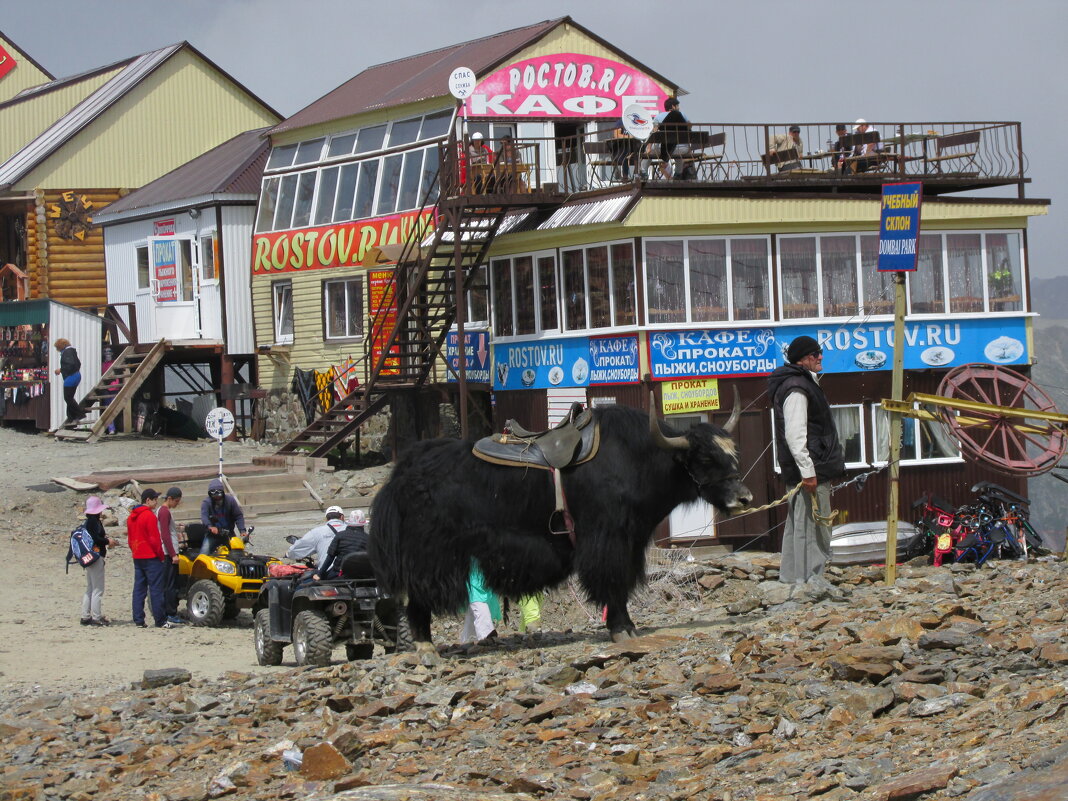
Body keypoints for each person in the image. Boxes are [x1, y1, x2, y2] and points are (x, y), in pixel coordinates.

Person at [768, 336, 845, 596]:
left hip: (809, 469)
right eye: (815, 354)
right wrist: (808, 472)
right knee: (813, 527)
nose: (820, 357)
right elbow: (795, 435)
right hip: (810, 472)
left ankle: (794, 579)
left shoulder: (801, 382)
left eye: (819, 352)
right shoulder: (797, 387)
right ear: (803, 359)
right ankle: (808, 582)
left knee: (801, 525)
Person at [128, 488, 170, 628]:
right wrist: (160, 555)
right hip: (151, 557)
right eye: (155, 499)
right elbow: (154, 540)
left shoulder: (131, 517)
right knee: (156, 590)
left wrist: (135, 551)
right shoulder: (149, 516)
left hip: (137, 555)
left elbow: (130, 539)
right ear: (148, 500)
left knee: (139, 589)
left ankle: (138, 620)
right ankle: (160, 620)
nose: (156, 502)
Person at [79, 496, 118, 627]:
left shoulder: (88, 522)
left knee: (90, 588)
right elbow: (96, 539)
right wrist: (108, 541)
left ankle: (85, 616)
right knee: (98, 589)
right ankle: (96, 617)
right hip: (96, 557)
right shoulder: (94, 522)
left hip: (89, 558)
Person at [286, 505, 348, 572]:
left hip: (327, 572)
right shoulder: (352, 530)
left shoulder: (316, 532)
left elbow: (294, 550)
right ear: (342, 517)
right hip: (351, 572)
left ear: (326, 519)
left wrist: (287, 554)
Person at [157, 487, 186, 626]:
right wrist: (173, 554)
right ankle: (170, 613)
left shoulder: (163, 511)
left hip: (168, 551)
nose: (177, 504)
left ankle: (168, 612)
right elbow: (165, 534)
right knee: (170, 584)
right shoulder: (164, 511)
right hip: (168, 553)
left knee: (169, 583)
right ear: (170, 499)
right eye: (176, 501)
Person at [315, 509, 370, 580]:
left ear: (349, 523)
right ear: (363, 524)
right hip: (361, 576)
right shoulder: (368, 539)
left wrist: (319, 574)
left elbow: (330, 557)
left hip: (339, 574)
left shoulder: (340, 535)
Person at [199, 478, 247, 555]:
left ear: (223, 492)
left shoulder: (230, 501)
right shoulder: (206, 503)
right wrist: (210, 526)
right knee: (204, 553)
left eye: (219, 493)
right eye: (213, 493)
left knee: (239, 553)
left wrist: (242, 531)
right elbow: (204, 516)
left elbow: (238, 516)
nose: (216, 496)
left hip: (229, 534)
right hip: (212, 535)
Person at [460, 562, 501, 644]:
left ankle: (468, 639)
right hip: (472, 578)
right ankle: (486, 635)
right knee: (479, 605)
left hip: (481, 577)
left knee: (474, 611)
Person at [657, 97, 694, 180]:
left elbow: (655, 131)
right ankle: (678, 173)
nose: (679, 108)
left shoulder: (658, 117)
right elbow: (689, 127)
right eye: (677, 106)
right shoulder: (681, 114)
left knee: (649, 153)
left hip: (664, 151)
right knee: (678, 153)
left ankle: (644, 172)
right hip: (683, 149)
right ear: (673, 107)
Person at [53, 338, 85, 426]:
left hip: (71, 377)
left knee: (68, 398)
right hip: (76, 375)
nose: (57, 350)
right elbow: (78, 363)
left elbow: (70, 364)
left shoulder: (67, 352)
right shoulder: (72, 351)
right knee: (70, 398)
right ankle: (71, 418)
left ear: (60, 346)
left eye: (57, 348)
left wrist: (60, 370)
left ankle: (79, 414)